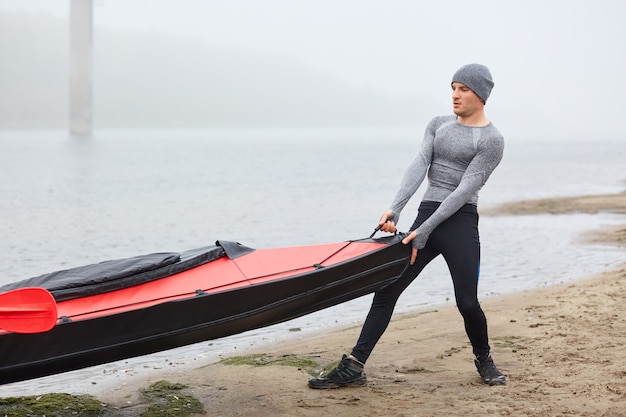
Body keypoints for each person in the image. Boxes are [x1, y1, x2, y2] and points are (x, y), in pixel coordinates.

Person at [309, 63, 506, 388]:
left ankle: (484, 359)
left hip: (458, 221)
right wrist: (395, 209)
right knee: (387, 288)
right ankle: (353, 367)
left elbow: (465, 190)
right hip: (424, 216)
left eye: (463, 89)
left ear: (481, 96)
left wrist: (426, 230)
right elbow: (419, 165)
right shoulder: (438, 124)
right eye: (453, 87)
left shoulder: (492, 140)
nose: (455, 95)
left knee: (467, 302)